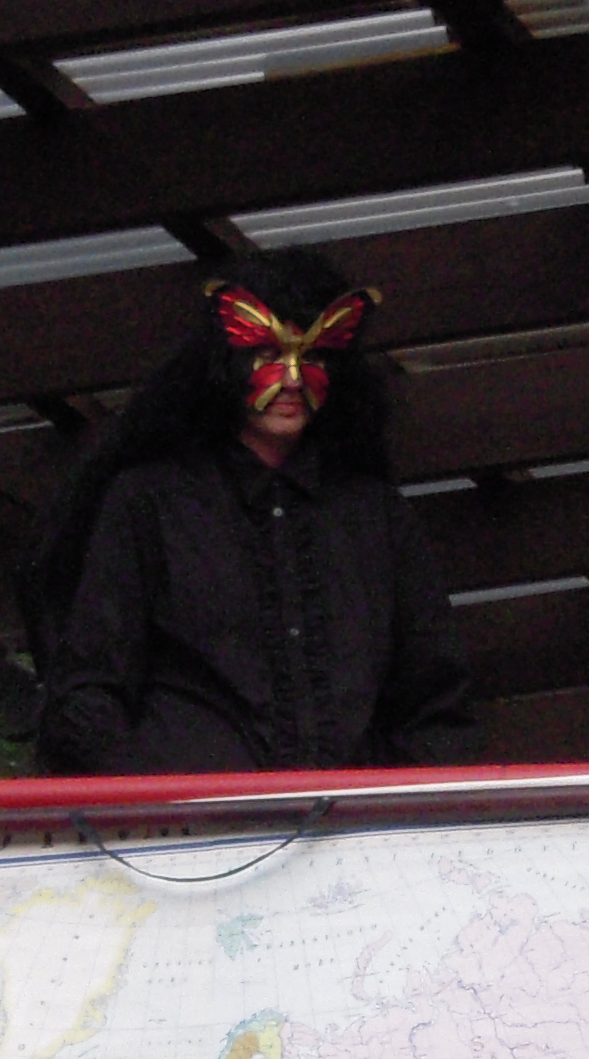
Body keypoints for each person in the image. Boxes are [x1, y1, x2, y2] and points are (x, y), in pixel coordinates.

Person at [27, 250, 477, 775]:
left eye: (316, 355)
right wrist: (152, 803)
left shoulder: (375, 515)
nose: (293, 378)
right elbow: (91, 687)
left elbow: (435, 699)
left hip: (348, 821)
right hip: (193, 818)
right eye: (267, 353)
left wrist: (398, 810)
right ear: (225, 364)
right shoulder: (150, 502)